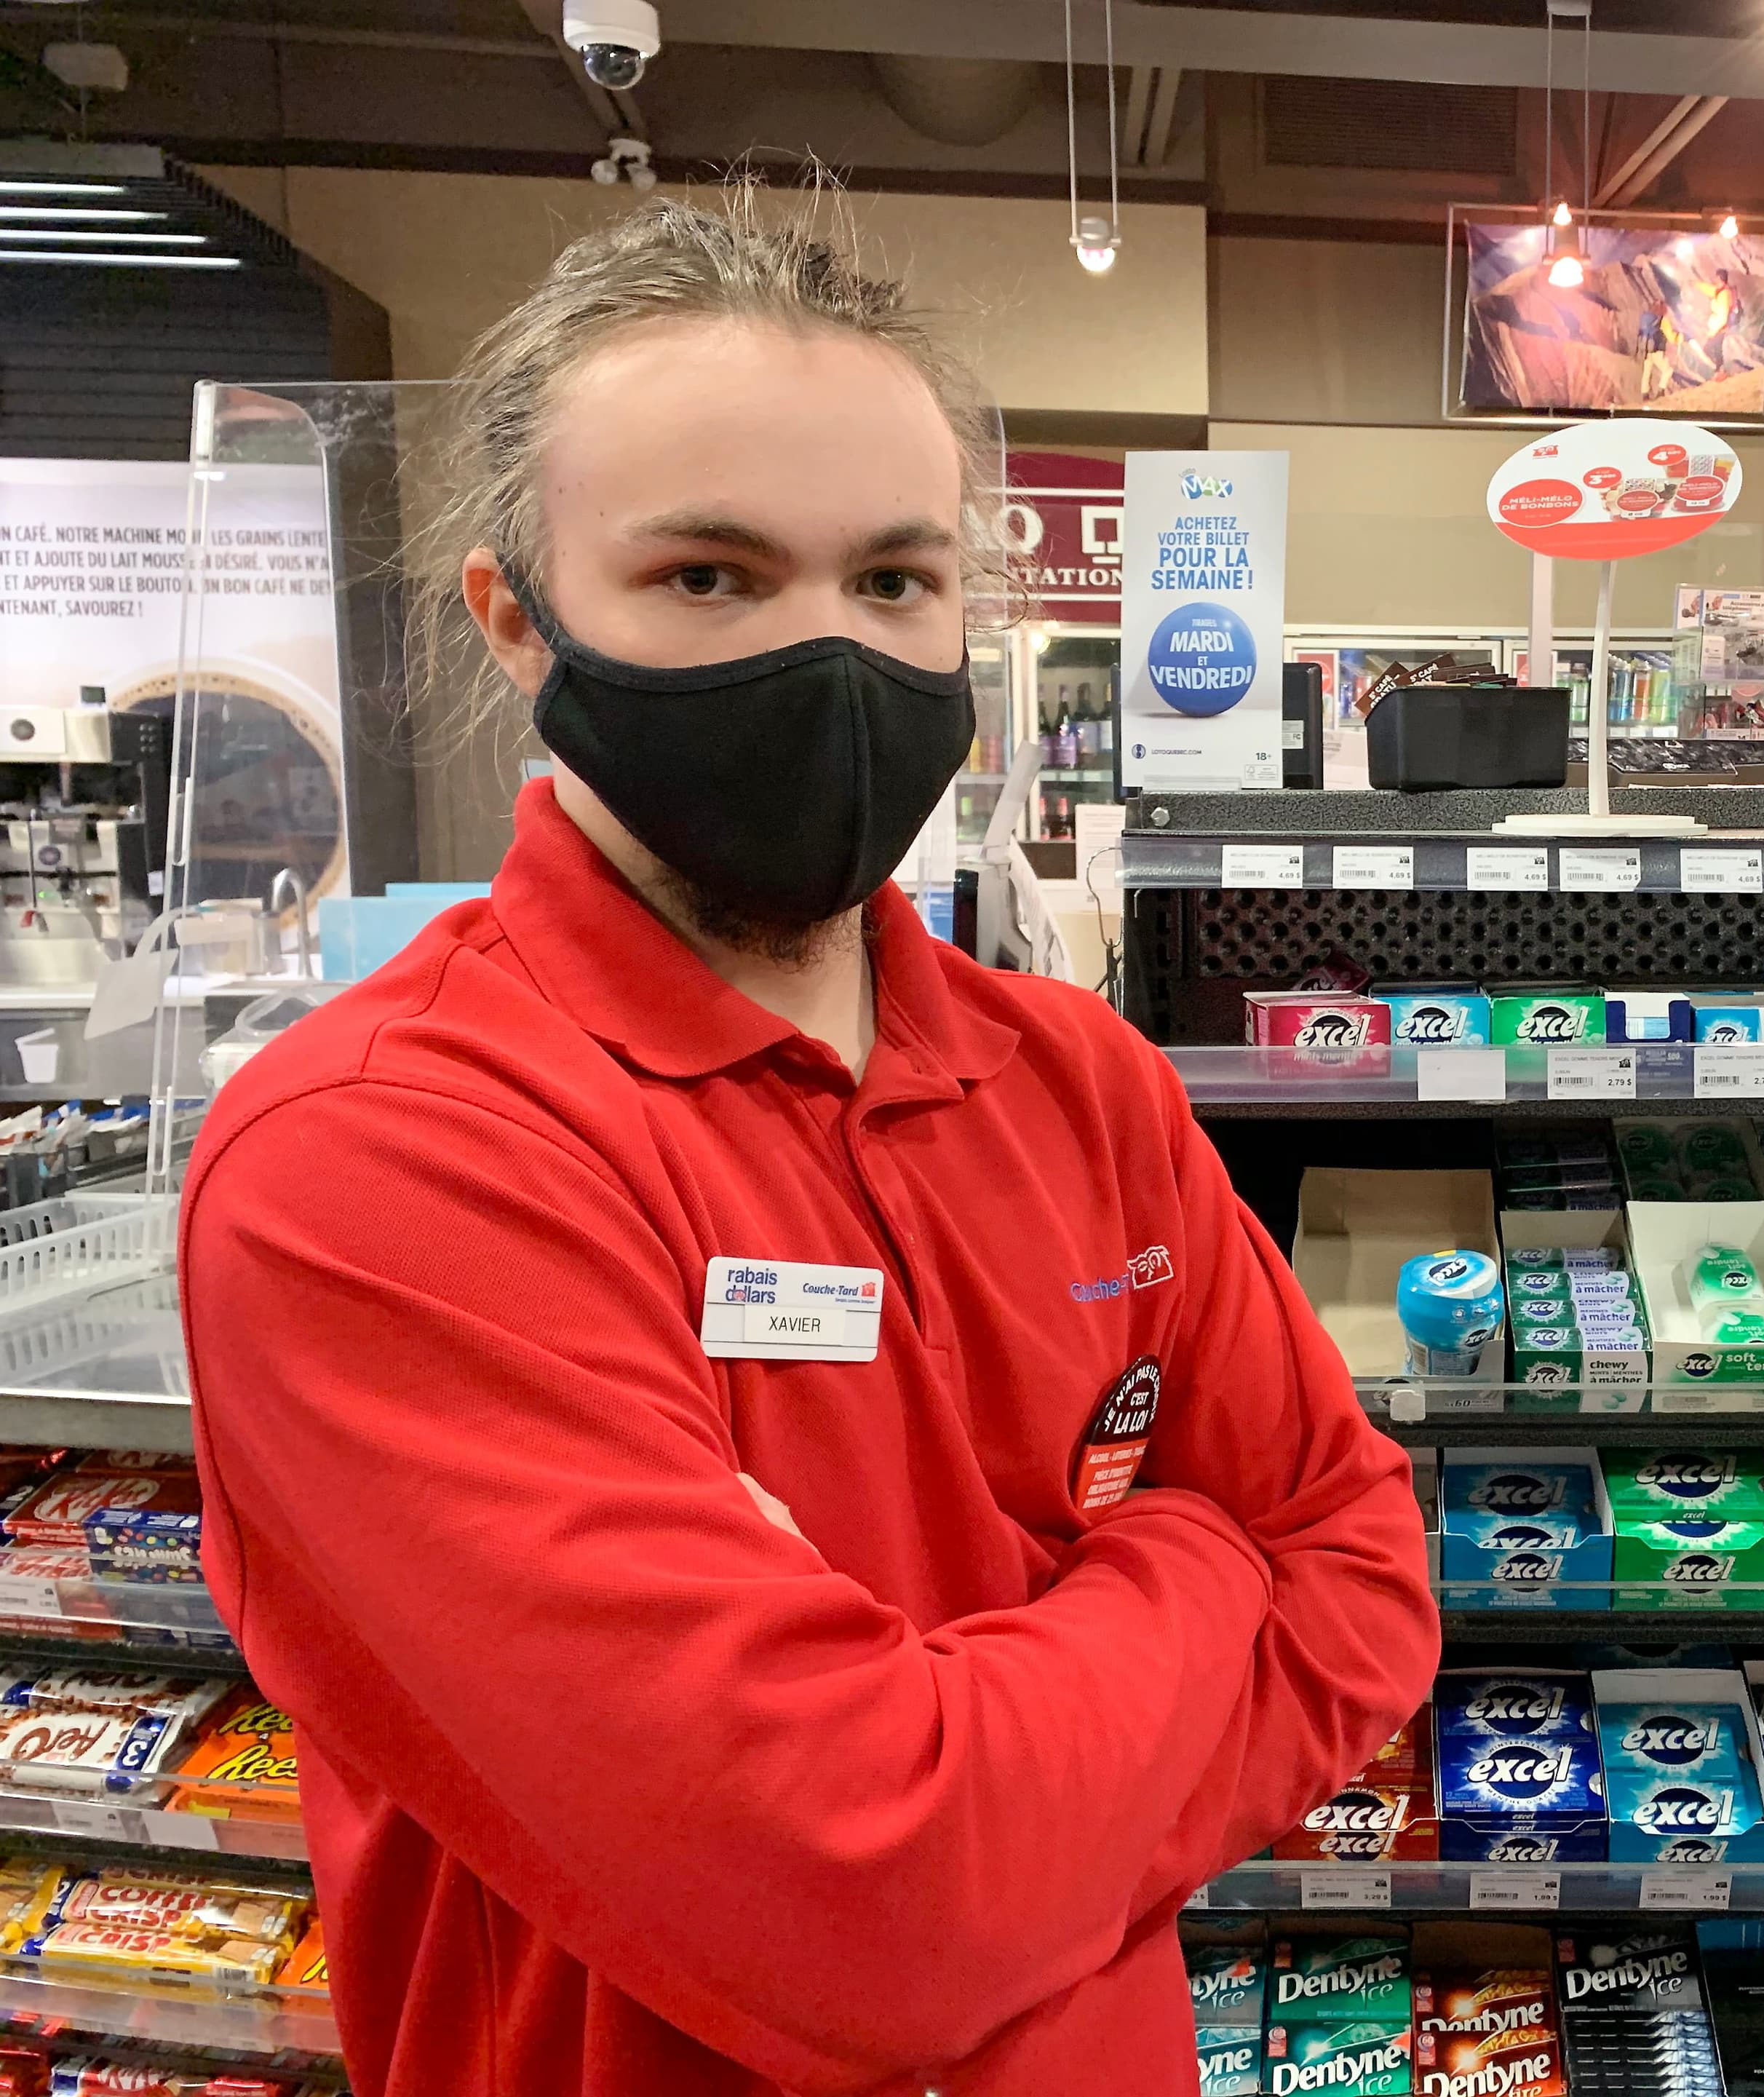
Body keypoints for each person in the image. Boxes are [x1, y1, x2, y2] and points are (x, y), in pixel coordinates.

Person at [175, 192, 1440, 2097]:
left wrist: (973, 1735)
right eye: (709, 575)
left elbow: (1362, 1580)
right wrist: (1187, 1555)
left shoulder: (1078, 1084)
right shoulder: (375, 1165)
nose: (828, 654)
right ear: (513, 615)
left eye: (895, 581)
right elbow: (887, 1897)